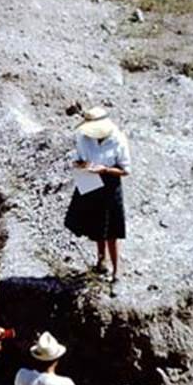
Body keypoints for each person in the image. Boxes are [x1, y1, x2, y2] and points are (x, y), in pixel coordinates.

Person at [64, 106, 131, 283]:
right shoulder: (82, 137)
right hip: (90, 181)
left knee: (112, 232)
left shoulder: (118, 140)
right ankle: (101, 261)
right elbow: (78, 158)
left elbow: (125, 170)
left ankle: (117, 270)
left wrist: (106, 169)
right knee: (97, 227)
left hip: (110, 185)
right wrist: (82, 164)